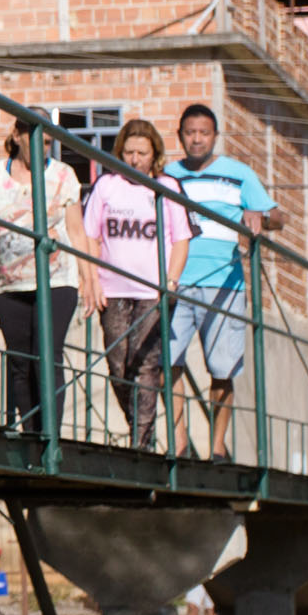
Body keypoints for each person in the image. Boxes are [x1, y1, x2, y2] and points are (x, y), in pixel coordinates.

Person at [162, 103, 279, 460]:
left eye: (204, 133)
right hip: (175, 281)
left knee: (222, 368)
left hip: (225, 283)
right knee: (170, 363)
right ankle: (178, 443)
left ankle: (216, 445)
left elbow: (277, 217)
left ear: (215, 136)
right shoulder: (167, 175)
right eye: (190, 132)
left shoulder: (239, 174)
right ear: (181, 135)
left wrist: (257, 213)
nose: (197, 139)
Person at [0, 122, 85, 435]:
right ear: (16, 137)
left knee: (47, 355)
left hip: (56, 281)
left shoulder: (62, 174)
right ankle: (31, 433)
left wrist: (90, 279)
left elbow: (76, 230)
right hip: (9, 283)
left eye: (47, 143)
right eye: (35, 141)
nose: (41, 149)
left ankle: (50, 437)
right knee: (20, 361)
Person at [80, 117, 191, 451]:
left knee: (145, 365)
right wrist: (91, 280)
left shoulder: (167, 187)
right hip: (112, 291)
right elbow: (89, 236)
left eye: (142, 152)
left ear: (154, 153)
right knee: (118, 364)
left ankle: (141, 444)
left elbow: (182, 239)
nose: (135, 159)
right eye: (129, 152)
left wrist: (171, 281)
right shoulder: (106, 186)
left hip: (152, 293)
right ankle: (139, 426)